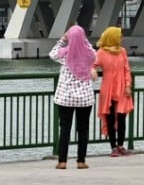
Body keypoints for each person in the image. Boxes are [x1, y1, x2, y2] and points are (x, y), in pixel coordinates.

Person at [49, 24, 97, 170]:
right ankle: (81, 161)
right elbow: (94, 52)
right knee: (83, 129)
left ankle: (62, 161)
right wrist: (85, 40)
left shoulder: (65, 54)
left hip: (66, 97)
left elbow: (52, 53)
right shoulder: (89, 54)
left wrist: (63, 39)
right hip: (85, 98)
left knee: (65, 129)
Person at [94, 26, 134, 156]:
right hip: (108, 86)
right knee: (110, 117)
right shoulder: (101, 52)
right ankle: (113, 147)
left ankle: (121, 144)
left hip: (122, 86)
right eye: (119, 36)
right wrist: (93, 70)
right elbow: (92, 64)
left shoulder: (122, 51)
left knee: (121, 116)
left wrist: (128, 85)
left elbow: (126, 69)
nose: (121, 38)